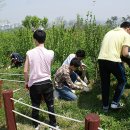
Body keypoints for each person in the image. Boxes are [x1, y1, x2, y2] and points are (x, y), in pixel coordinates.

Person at [24, 29, 58, 130]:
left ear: (35, 39)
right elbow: (49, 66)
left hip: (35, 84)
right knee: (50, 104)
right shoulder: (51, 53)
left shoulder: (29, 53)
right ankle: (53, 124)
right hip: (47, 82)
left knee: (35, 104)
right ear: (45, 39)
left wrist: (26, 82)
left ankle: (36, 125)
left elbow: (25, 71)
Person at [98, 21, 130, 112]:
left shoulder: (109, 32)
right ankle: (115, 103)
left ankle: (105, 107)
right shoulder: (126, 35)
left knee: (105, 84)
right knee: (122, 80)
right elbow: (125, 53)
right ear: (128, 28)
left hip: (101, 59)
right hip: (113, 61)